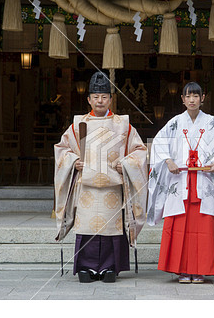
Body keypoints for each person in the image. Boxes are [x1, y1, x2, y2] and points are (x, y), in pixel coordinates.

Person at [147, 82, 214, 284]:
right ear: (182, 99)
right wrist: (168, 161)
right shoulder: (175, 123)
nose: (192, 100)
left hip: (205, 182)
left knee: (204, 228)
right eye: (188, 96)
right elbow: (159, 143)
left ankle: (200, 270)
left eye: (196, 96)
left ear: (203, 98)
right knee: (179, 226)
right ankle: (182, 270)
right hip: (180, 181)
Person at [54, 72, 147, 283]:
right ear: (88, 99)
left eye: (104, 96)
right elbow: (62, 149)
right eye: (95, 97)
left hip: (112, 186)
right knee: (87, 227)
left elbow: (139, 151)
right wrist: (72, 161)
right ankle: (85, 266)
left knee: (111, 228)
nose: (100, 101)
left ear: (111, 99)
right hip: (86, 186)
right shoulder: (78, 125)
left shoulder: (123, 125)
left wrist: (126, 164)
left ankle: (109, 267)